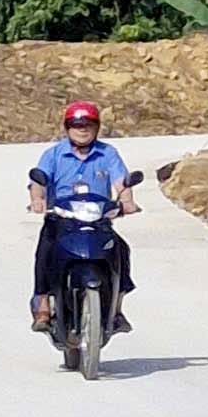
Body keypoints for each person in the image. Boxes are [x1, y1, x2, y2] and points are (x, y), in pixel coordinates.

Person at [28, 101, 138, 333]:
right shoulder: (54, 154)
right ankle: (43, 305)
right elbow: (39, 181)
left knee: (121, 249)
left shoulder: (107, 153)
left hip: (98, 219)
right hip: (62, 219)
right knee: (45, 250)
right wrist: (37, 200)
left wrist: (127, 202)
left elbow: (121, 182)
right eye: (76, 124)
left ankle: (117, 310)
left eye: (88, 124)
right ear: (67, 128)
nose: (82, 129)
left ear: (97, 127)